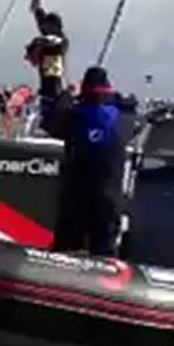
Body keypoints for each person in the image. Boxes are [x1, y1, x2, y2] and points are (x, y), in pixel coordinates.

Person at [49, 66, 129, 257]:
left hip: (76, 195)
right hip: (108, 197)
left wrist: (66, 97)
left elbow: (52, 125)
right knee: (104, 248)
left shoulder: (76, 115)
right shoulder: (124, 116)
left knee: (66, 248)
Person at [24, 0, 69, 134]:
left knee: (51, 99)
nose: (44, 30)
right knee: (44, 99)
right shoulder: (47, 36)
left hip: (55, 85)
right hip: (46, 83)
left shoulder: (60, 41)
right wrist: (37, 7)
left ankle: (51, 127)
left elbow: (52, 40)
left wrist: (37, 44)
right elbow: (41, 22)